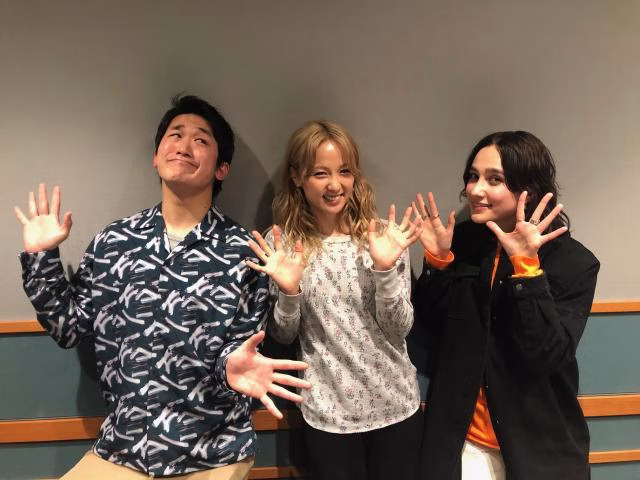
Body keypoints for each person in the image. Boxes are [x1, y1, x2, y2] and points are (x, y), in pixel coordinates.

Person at [14, 95, 311, 480]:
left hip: (212, 451)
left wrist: (229, 365)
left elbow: (242, 350)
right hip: (123, 449)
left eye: (201, 140)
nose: (184, 146)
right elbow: (67, 328)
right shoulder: (114, 243)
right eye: (175, 135)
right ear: (156, 157)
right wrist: (41, 258)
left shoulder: (244, 251)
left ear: (221, 168)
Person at [413, 131, 600, 479]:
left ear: (527, 187)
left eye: (494, 179)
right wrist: (438, 262)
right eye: (473, 176)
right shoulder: (463, 242)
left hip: (536, 448)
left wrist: (527, 269)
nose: (475, 190)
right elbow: (435, 325)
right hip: (463, 444)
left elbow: (546, 353)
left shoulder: (573, 262)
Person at [246, 120, 424, 480]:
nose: (334, 185)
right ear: (297, 177)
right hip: (329, 417)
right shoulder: (283, 245)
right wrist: (289, 292)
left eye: (344, 171)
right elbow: (284, 335)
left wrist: (385, 269)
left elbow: (399, 328)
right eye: (320, 173)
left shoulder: (383, 236)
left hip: (396, 408)